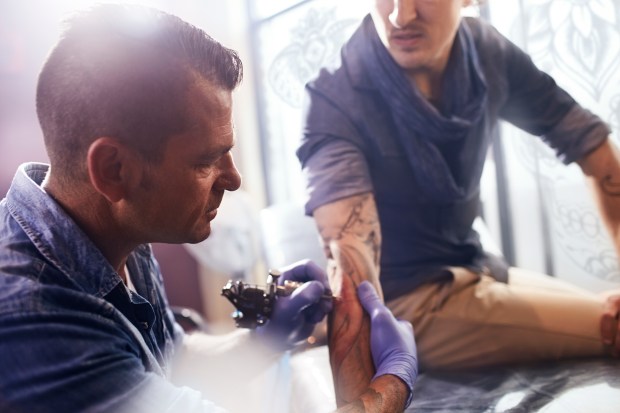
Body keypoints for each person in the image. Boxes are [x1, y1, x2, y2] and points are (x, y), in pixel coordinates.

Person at [0, 4, 417, 413]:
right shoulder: (34, 322)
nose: (234, 180)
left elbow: (172, 362)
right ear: (113, 170)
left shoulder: (115, 228)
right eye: (205, 161)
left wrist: (266, 338)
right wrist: (393, 383)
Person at [297, 0, 620, 403]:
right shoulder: (335, 97)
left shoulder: (487, 52)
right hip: (405, 301)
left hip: (475, 266)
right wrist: (360, 404)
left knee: (609, 308)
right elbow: (349, 264)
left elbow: (594, 147)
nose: (401, 15)